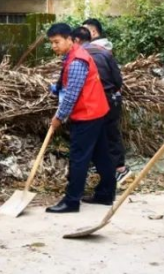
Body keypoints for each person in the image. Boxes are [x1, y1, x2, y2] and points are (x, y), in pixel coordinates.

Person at [46, 23, 115, 213]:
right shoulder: (72, 56)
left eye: (57, 42)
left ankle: (72, 200)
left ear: (70, 40)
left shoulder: (77, 60)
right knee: (101, 154)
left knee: (78, 157)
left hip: (87, 113)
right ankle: (106, 193)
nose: (54, 46)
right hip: (96, 110)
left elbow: (72, 94)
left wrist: (59, 117)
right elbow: (66, 84)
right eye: (52, 43)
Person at [72, 26, 129, 182]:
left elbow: (73, 84)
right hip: (111, 98)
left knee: (97, 137)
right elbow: (118, 80)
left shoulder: (78, 56)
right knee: (110, 134)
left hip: (92, 102)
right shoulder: (104, 52)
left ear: (76, 40)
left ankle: (114, 170)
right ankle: (116, 169)